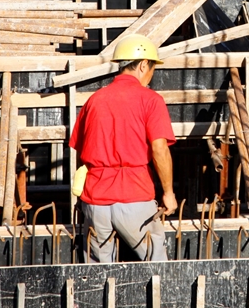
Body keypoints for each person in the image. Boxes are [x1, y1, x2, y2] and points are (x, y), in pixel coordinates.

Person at [69, 34, 177, 262]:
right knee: (156, 265)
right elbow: (159, 149)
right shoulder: (151, 100)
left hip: (95, 199)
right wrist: (168, 193)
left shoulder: (94, 100)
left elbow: (80, 152)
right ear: (143, 64)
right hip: (134, 196)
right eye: (152, 68)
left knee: (96, 275)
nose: (151, 75)